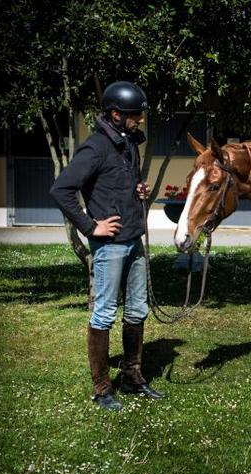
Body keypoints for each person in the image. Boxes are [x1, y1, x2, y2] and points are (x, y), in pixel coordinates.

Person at [50, 81, 164, 411]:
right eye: (134, 114)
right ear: (116, 114)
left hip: (134, 241)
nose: (140, 119)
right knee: (103, 316)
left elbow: (114, 184)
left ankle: (132, 378)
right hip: (110, 246)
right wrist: (90, 226)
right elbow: (61, 190)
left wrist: (137, 190)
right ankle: (102, 389)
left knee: (137, 310)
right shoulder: (95, 147)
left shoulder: (127, 144)